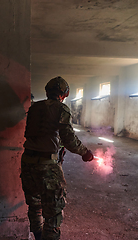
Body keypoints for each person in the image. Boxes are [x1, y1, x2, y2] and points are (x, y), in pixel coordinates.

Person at [20, 76, 94, 240]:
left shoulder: (34, 108)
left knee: (34, 204)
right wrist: (85, 152)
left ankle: (38, 235)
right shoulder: (62, 109)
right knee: (53, 212)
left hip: (27, 163)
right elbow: (69, 139)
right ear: (64, 94)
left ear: (47, 91)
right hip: (47, 166)